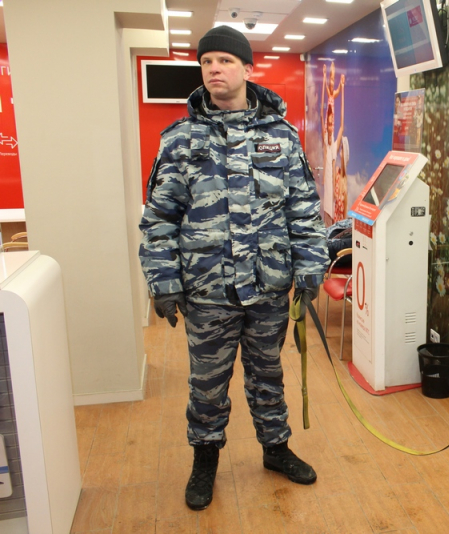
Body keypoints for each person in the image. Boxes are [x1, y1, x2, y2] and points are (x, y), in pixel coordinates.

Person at [139, 25, 329, 511]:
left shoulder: (281, 137)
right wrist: (162, 281)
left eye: (224, 60)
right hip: (208, 291)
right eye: (206, 62)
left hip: (268, 288)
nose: (214, 69)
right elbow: (159, 218)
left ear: (247, 68)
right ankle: (205, 459)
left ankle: (276, 448)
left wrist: (310, 268)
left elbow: (304, 211)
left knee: (268, 374)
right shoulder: (180, 140)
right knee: (207, 382)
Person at [320, 65, 345, 224]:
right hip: (327, 185)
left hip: (332, 185)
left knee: (332, 214)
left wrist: (342, 88)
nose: (330, 127)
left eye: (331, 124)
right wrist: (323, 78)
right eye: (328, 125)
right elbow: (322, 114)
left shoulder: (335, 145)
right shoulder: (326, 143)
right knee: (326, 213)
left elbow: (341, 124)